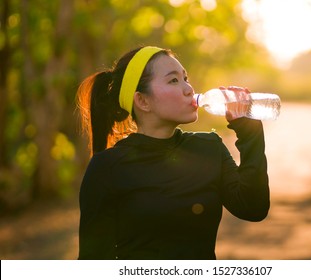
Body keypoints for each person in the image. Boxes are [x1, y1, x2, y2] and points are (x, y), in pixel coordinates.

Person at [76, 46, 270, 260]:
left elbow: (253, 207)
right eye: (173, 81)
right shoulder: (107, 167)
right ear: (142, 101)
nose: (189, 88)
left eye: (185, 78)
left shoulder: (209, 148)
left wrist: (249, 131)